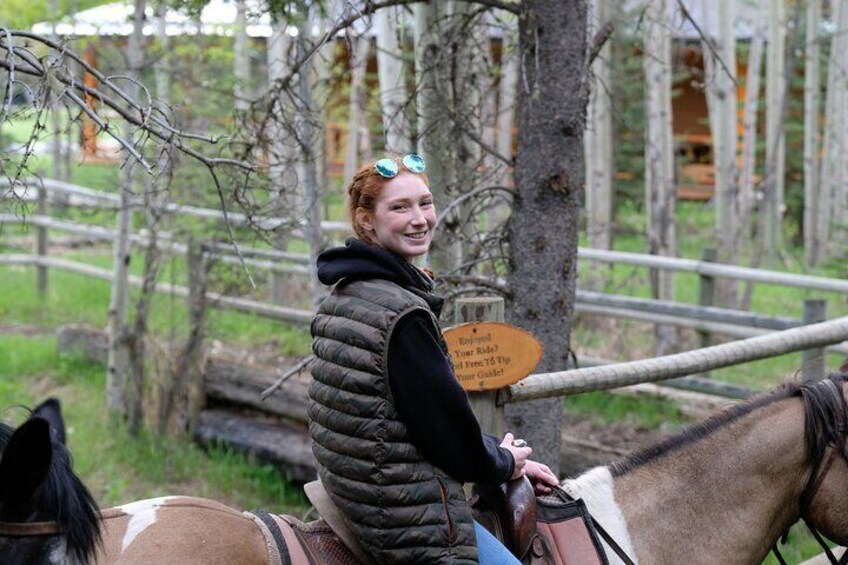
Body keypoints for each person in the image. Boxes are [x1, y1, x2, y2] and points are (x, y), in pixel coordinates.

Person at [308, 154, 558, 564]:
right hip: (404, 514)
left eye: (425, 203)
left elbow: (408, 416)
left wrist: (499, 454)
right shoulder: (402, 315)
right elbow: (447, 436)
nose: (419, 218)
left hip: (354, 491)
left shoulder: (346, 293)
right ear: (366, 220)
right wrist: (501, 462)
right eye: (400, 207)